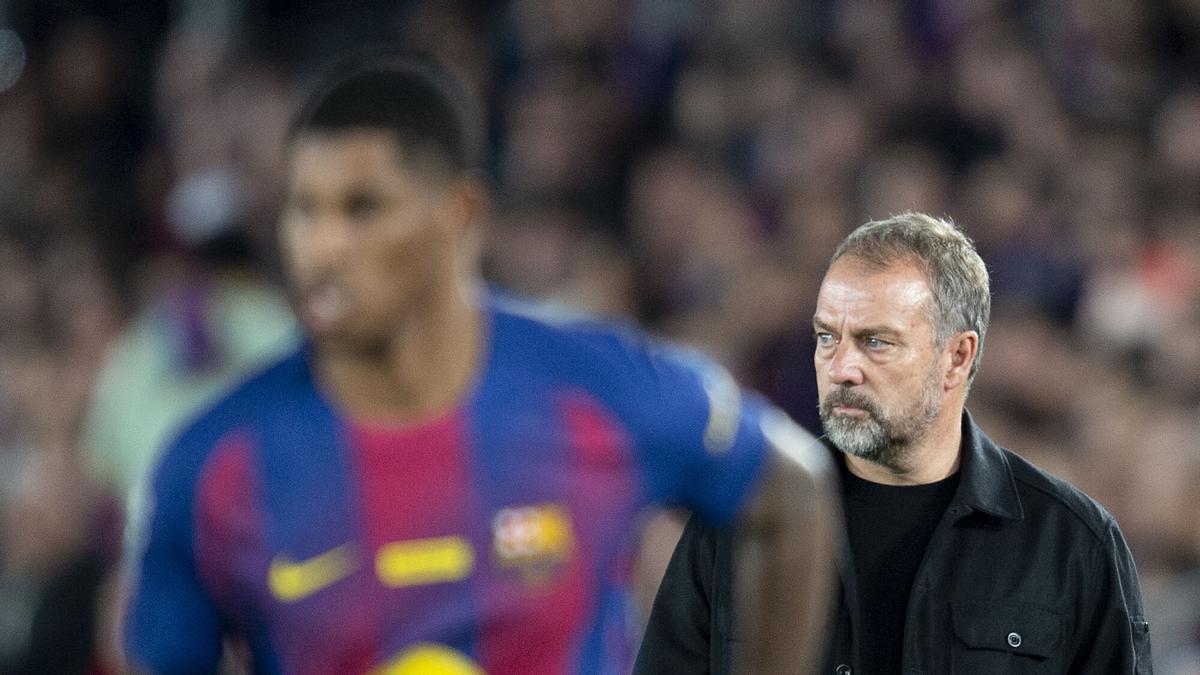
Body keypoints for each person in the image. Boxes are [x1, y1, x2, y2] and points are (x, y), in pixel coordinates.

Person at [122, 51, 839, 674]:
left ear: (460, 215)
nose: (322, 246)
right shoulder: (213, 466)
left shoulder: (594, 385)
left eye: (363, 207)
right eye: (304, 209)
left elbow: (789, 487)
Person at [635, 213, 1152, 674]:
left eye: (875, 341)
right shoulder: (739, 525)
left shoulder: (1073, 544)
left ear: (957, 357)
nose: (840, 368)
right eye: (826, 337)